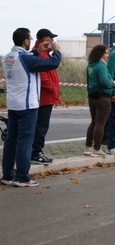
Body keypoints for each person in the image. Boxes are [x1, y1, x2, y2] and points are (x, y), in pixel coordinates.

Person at [1, 28, 61, 187]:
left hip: (13, 104)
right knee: (25, 140)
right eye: (29, 38)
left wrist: (37, 51)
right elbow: (52, 63)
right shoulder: (25, 58)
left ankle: (7, 174)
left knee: (11, 139)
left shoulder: (8, 56)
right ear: (26, 41)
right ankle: (22, 176)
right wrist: (56, 52)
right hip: (27, 104)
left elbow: (27, 60)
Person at [30, 28, 61, 165]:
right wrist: (51, 88)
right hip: (44, 96)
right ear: (43, 39)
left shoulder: (45, 54)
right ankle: (36, 152)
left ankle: (36, 151)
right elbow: (43, 76)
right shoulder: (41, 54)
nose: (53, 41)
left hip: (46, 96)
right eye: (50, 38)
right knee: (41, 125)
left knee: (41, 125)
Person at [84, 44, 115, 157]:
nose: (107, 55)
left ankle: (88, 147)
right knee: (100, 123)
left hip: (92, 96)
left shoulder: (89, 66)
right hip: (103, 97)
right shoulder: (101, 66)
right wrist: (112, 84)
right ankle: (97, 148)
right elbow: (104, 81)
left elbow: (89, 82)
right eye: (106, 53)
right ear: (100, 54)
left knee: (94, 122)